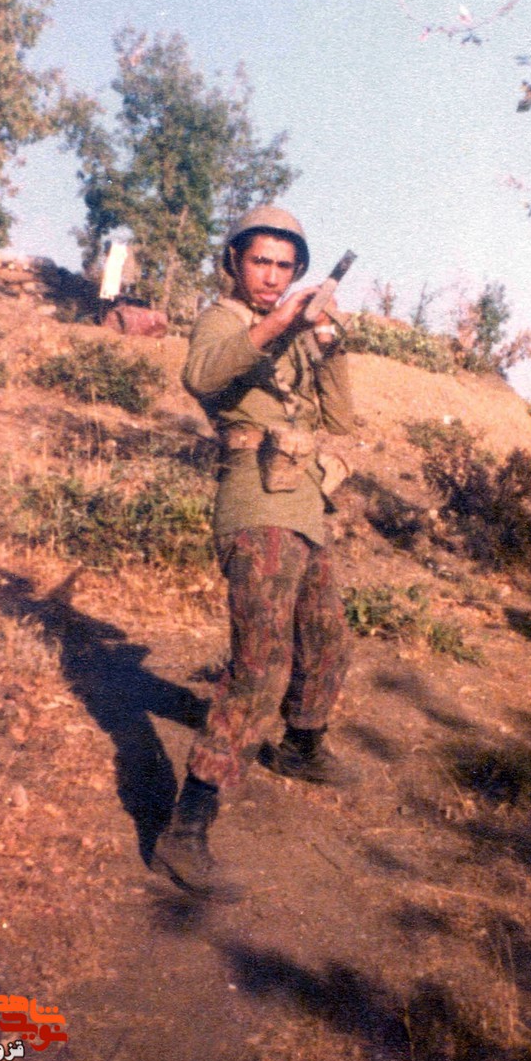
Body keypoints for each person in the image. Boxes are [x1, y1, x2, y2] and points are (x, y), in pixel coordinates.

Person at [152, 206, 355, 894]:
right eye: (260, 261)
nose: (271, 276)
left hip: (304, 503)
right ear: (235, 262)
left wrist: (328, 341)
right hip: (254, 501)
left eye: (284, 266)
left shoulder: (295, 335)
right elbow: (203, 376)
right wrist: (276, 325)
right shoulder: (223, 320)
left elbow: (340, 418)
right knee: (261, 664)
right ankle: (186, 829)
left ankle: (301, 746)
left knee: (327, 635)